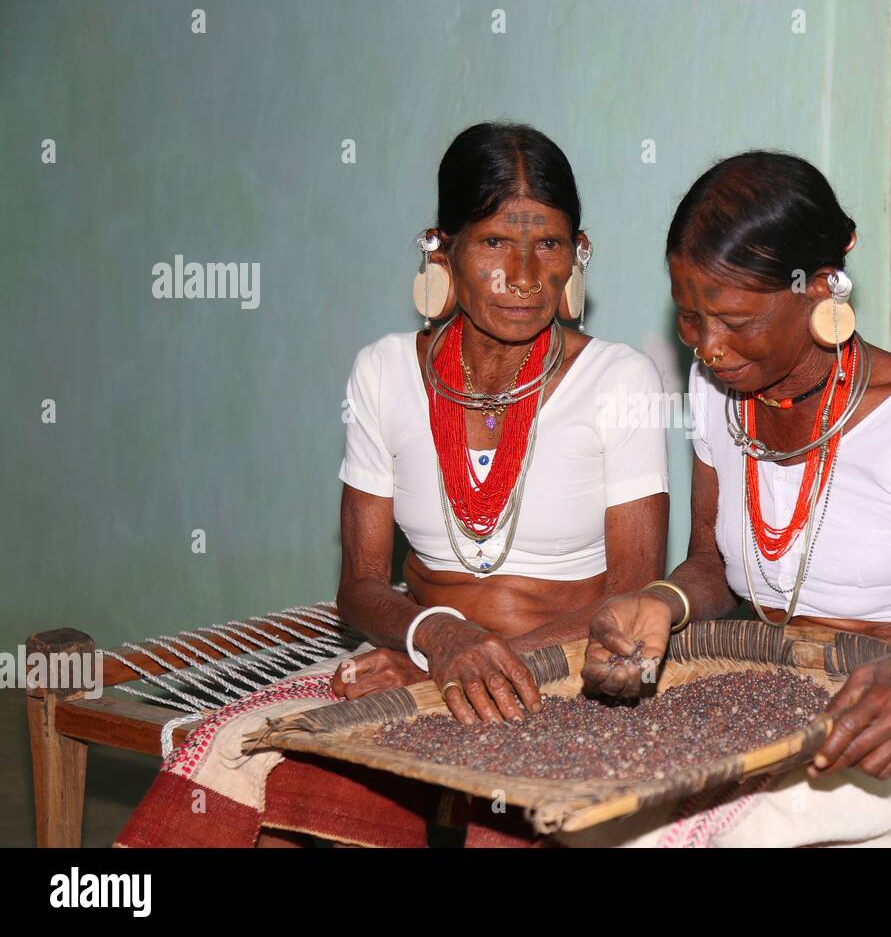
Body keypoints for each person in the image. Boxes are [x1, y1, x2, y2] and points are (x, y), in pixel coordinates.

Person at [114, 122, 669, 848]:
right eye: (496, 242)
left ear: (578, 253)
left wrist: (453, 675)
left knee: (510, 818)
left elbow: (628, 603)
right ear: (441, 248)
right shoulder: (383, 373)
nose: (525, 275)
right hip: (421, 657)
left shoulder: (618, 380)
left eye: (551, 245)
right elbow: (361, 586)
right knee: (262, 765)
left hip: (566, 677)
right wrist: (434, 639)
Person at [570, 151, 891, 848]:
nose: (709, 349)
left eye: (734, 320)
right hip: (765, 702)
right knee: (589, 804)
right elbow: (711, 569)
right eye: (689, 319)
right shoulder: (717, 394)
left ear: (821, 287)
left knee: (710, 833)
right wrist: (661, 602)